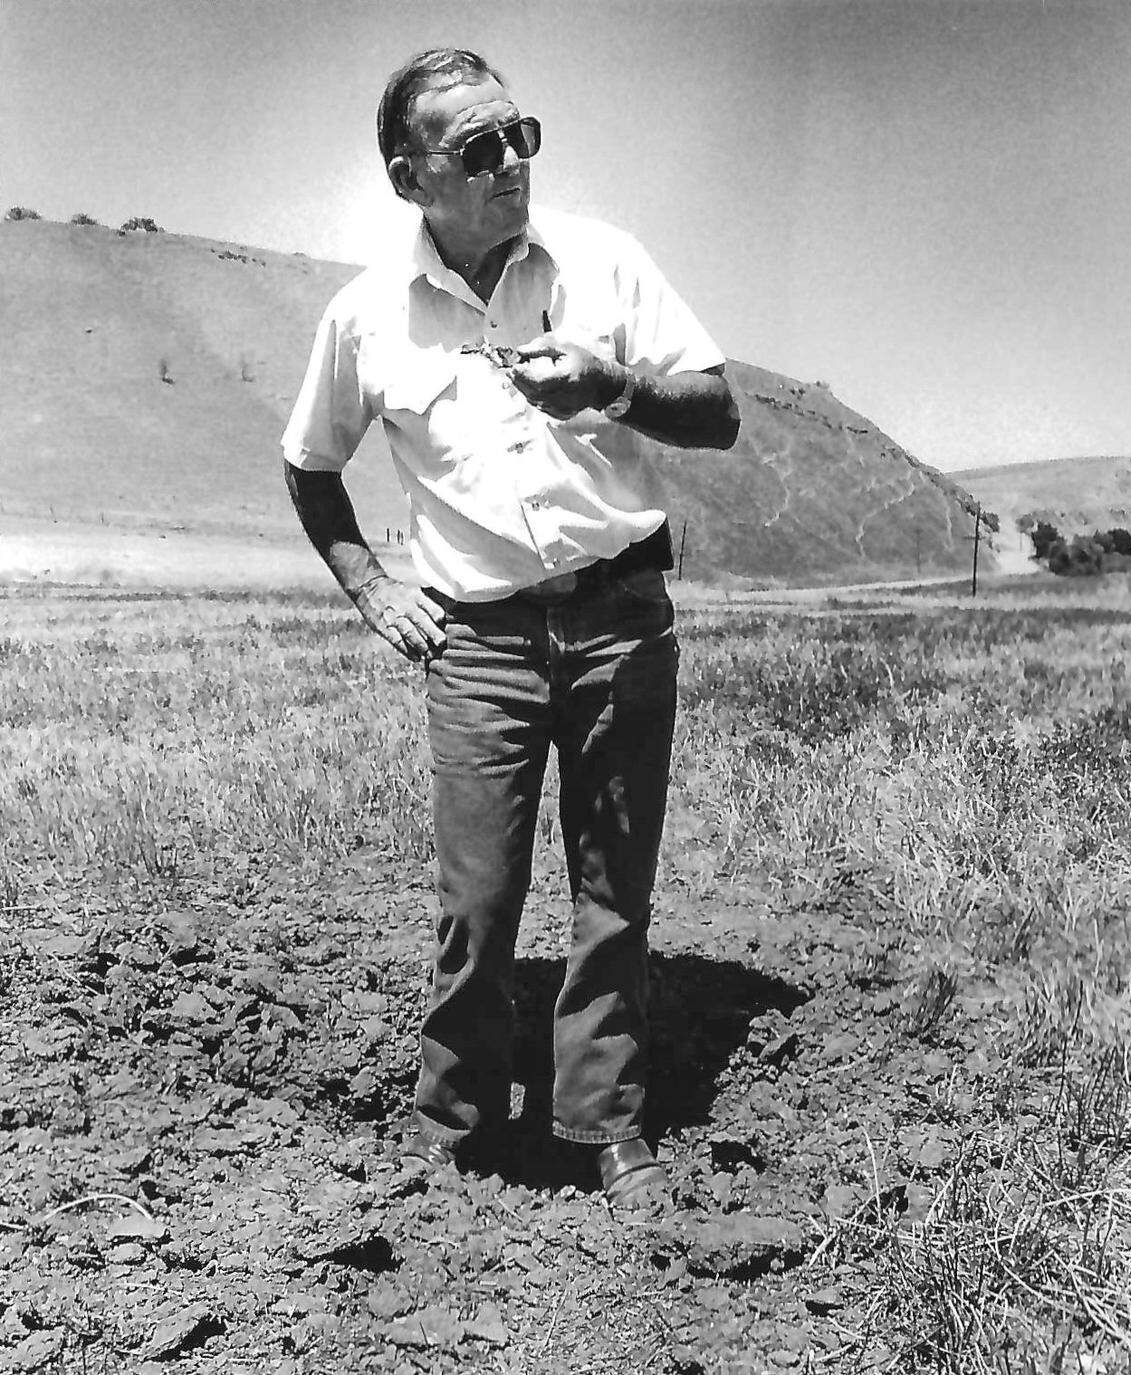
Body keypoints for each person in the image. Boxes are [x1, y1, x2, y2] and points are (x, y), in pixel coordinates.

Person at [282, 47, 739, 1208]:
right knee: (478, 902)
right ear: (410, 178)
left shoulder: (605, 262)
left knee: (613, 892)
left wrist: (615, 386)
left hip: (621, 619)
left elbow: (719, 412)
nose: (510, 163)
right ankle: (458, 1120)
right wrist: (373, 587)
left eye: (519, 135)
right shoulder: (365, 316)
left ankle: (605, 1121)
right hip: (477, 645)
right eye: (477, 148)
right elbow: (310, 465)